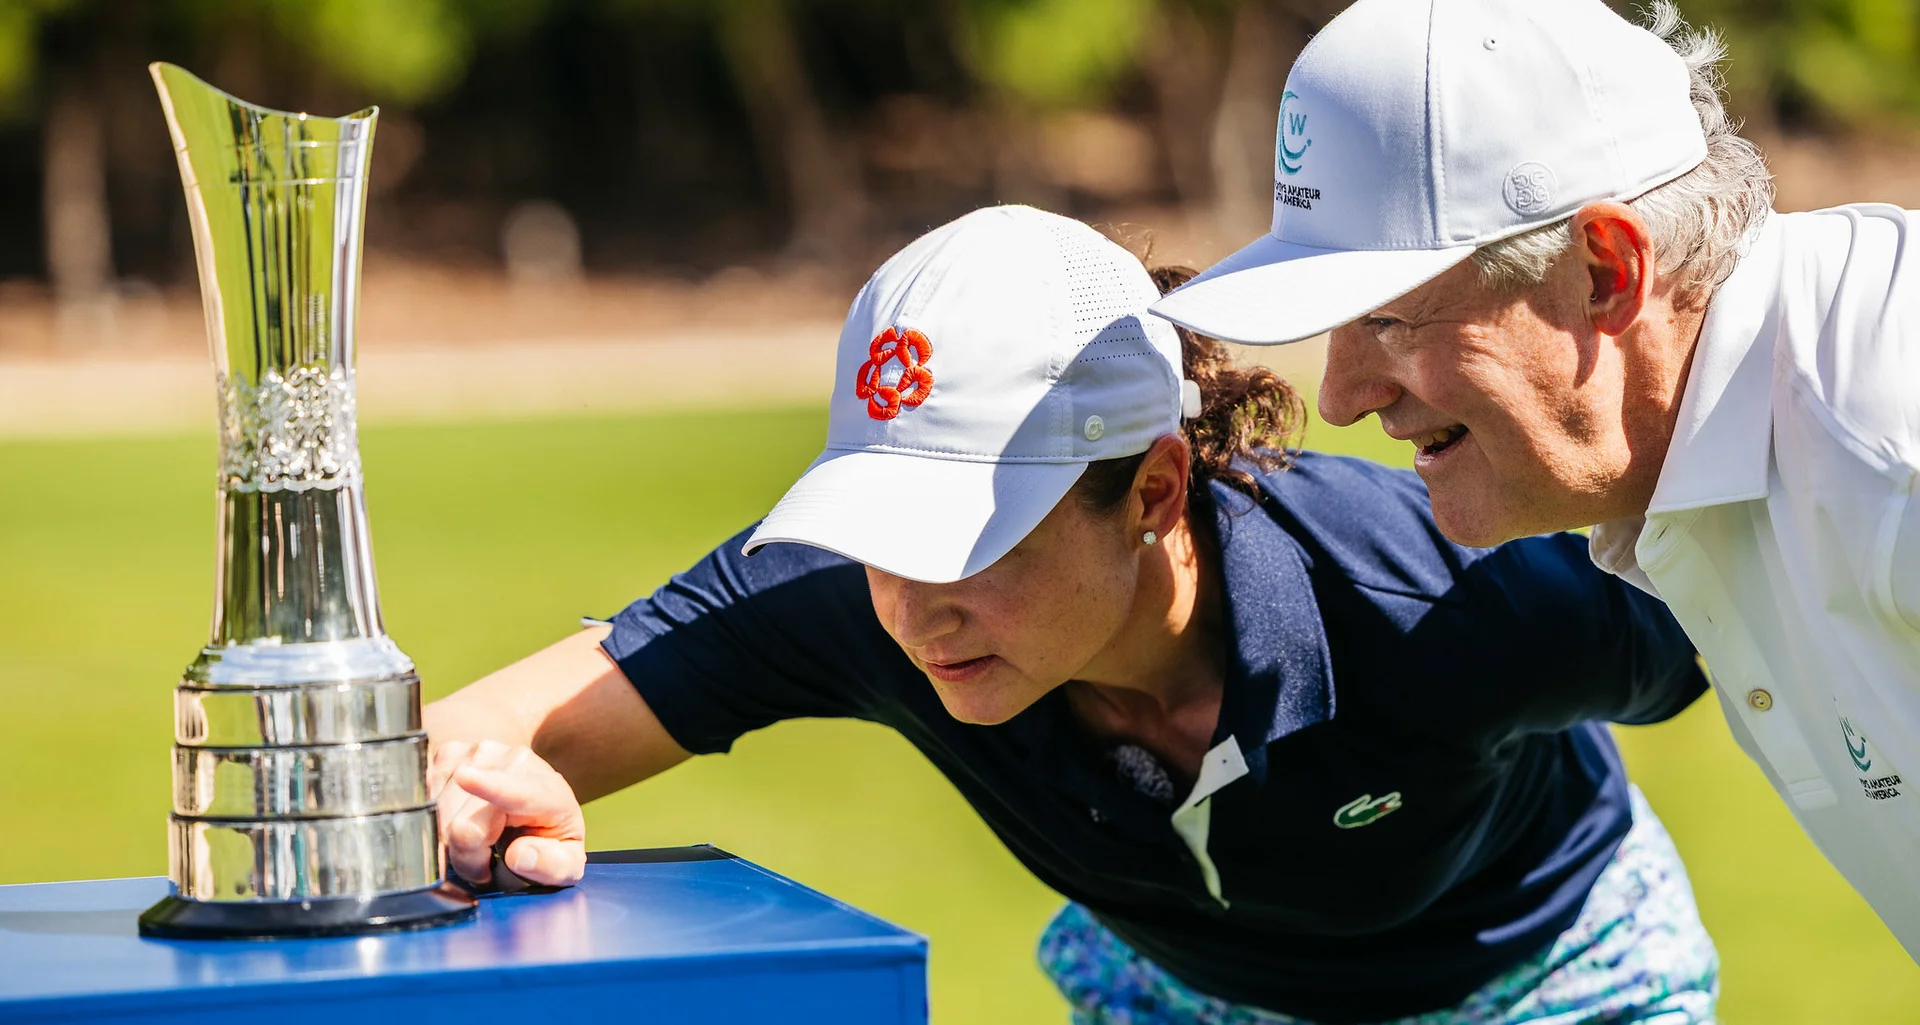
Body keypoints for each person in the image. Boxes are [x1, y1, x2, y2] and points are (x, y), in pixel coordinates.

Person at [427, 205, 1716, 1024]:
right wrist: (468, 789)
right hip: (1184, 995)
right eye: (884, 531)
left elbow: (1714, 617)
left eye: (972, 539)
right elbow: (459, 748)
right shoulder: (858, 594)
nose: (920, 605)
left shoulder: (1440, 597)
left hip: (1548, 982)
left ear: (1154, 485)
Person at [1151, 0, 1920, 960]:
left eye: (1387, 322)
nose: (1342, 398)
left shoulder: (1892, 442)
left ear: (1605, 272)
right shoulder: (1722, 453)